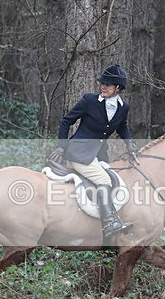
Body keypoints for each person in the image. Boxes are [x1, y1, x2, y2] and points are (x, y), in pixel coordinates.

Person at [49, 64, 139, 240]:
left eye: (107, 84)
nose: (102, 87)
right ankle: (109, 224)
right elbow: (67, 121)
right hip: (79, 153)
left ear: (118, 88)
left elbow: (122, 128)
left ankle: (113, 218)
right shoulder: (89, 100)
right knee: (103, 179)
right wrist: (62, 146)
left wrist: (130, 145)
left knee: (114, 179)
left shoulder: (123, 107)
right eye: (102, 83)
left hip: (98, 155)